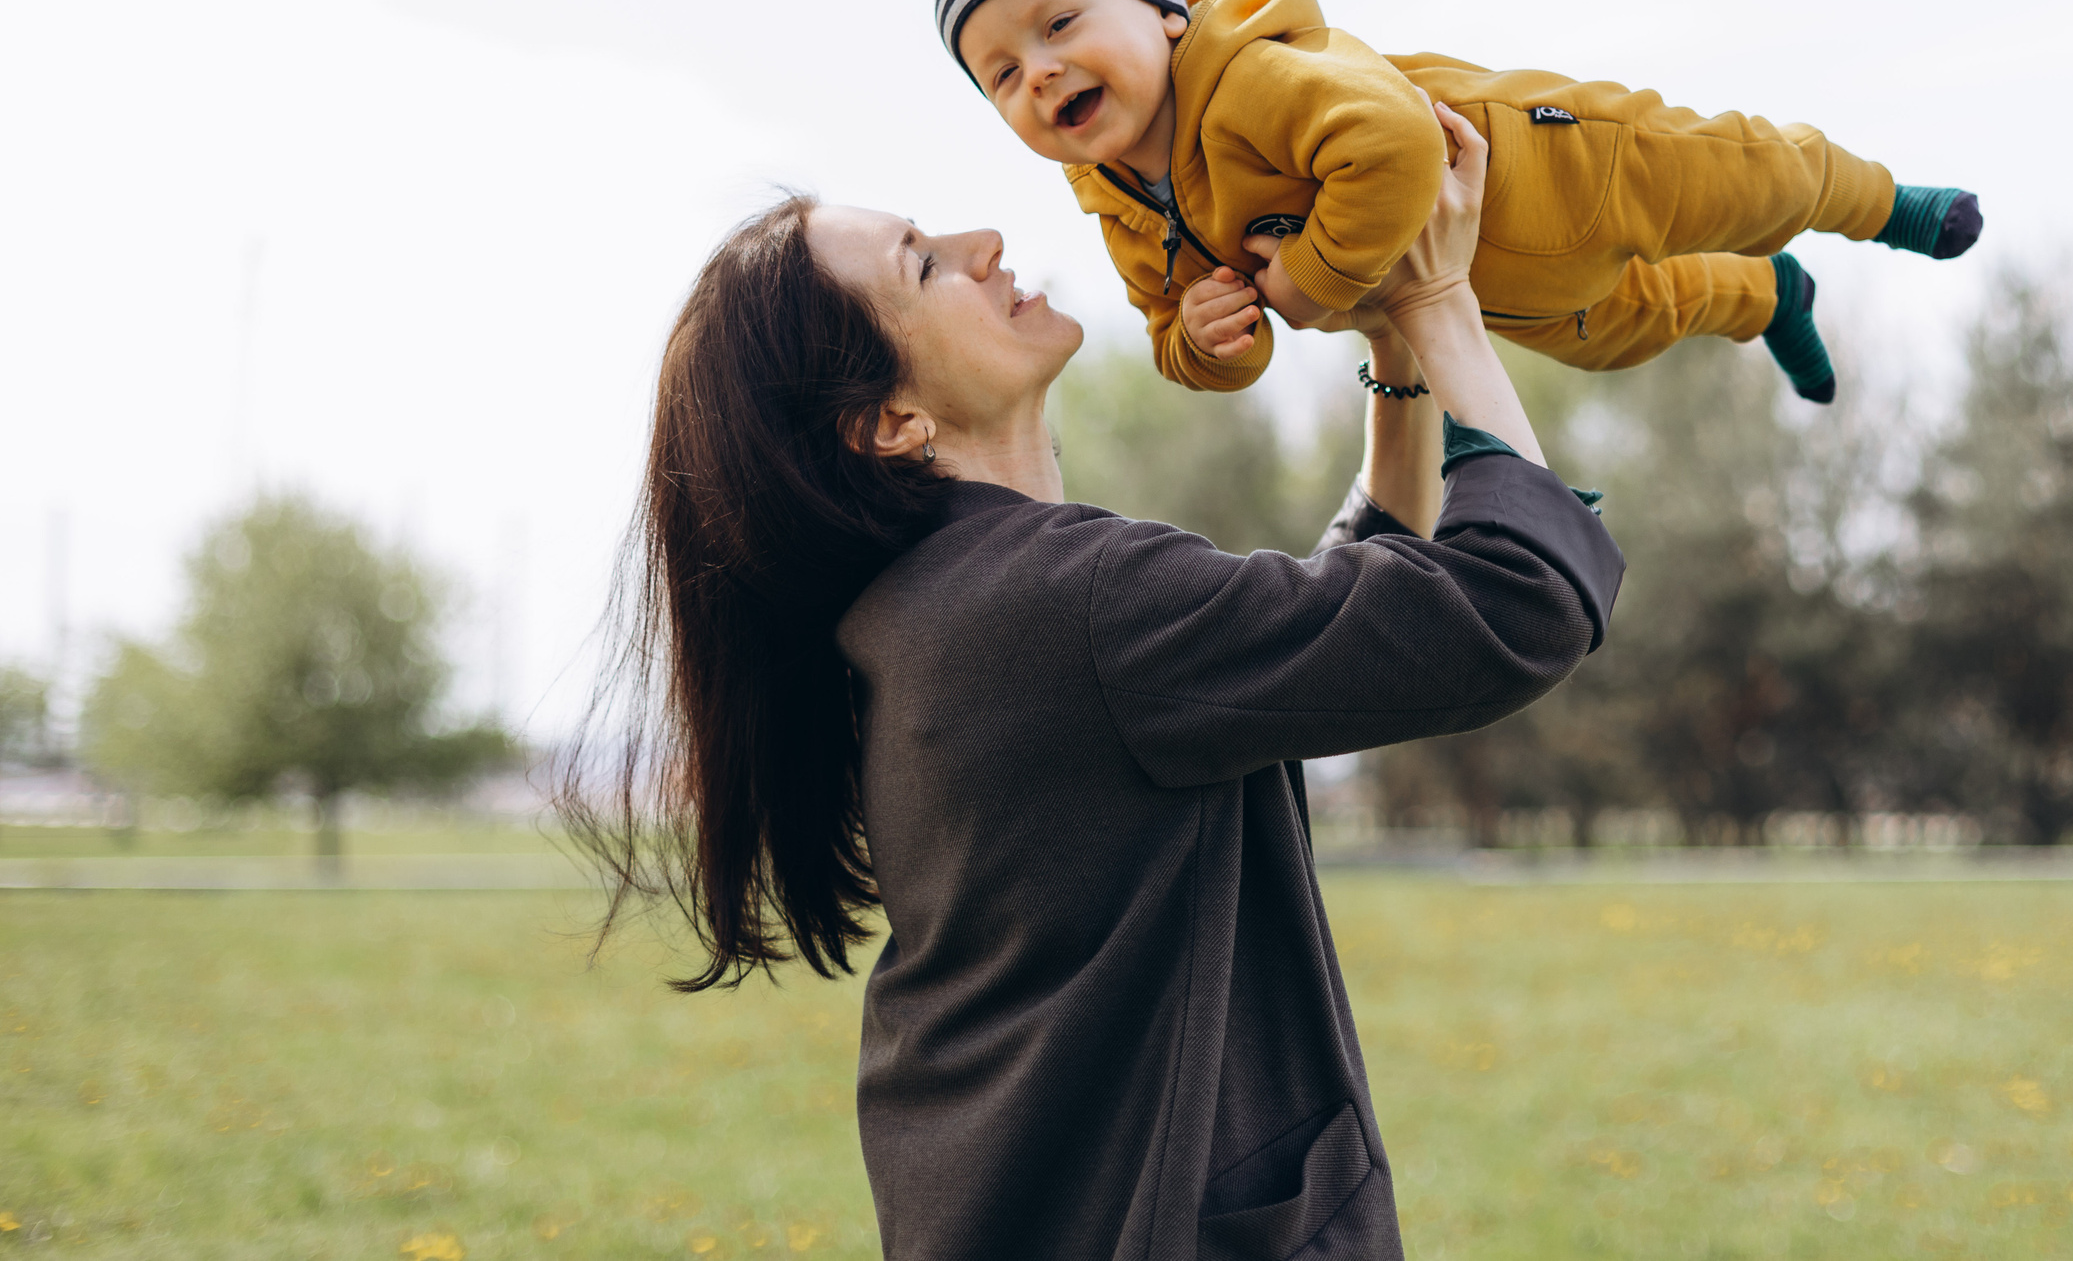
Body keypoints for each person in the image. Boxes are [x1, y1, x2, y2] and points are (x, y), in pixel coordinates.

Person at [563, 108, 1622, 1259]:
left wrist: (1395, 358)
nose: (981, 242)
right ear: (889, 422)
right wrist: (1434, 302)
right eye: (924, 262)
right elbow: (1519, 605)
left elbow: (1322, 626)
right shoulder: (1065, 606)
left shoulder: (950, 607)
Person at [935, 0, 1982, 405]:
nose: (1041, 71)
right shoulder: (1123, 207)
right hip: (1489, 292)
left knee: (1747, 180)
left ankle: (1882, 203)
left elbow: (1393, 148)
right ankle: (1772, 296)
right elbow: (1168, 332)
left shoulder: (1252, 72)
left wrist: (1300, 284)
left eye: (1060, 23)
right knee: (1631, 326)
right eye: (1002, 74)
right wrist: (1209, 344)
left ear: (1162, 10)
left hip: (1558, 166)